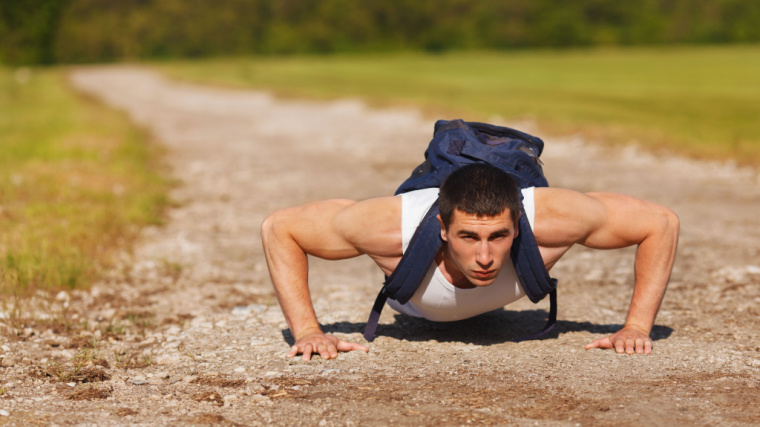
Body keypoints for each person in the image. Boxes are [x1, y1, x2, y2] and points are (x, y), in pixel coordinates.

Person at [261, 164, 679, 360]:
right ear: (443, 228)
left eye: (498, 236)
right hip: (413, 300)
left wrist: (637, 326)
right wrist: (309, 331)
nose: (484, 257)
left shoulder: (554, 219)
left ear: (517, 225)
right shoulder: (391, 228)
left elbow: (660, 222)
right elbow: (281, 228)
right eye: (468, 237)